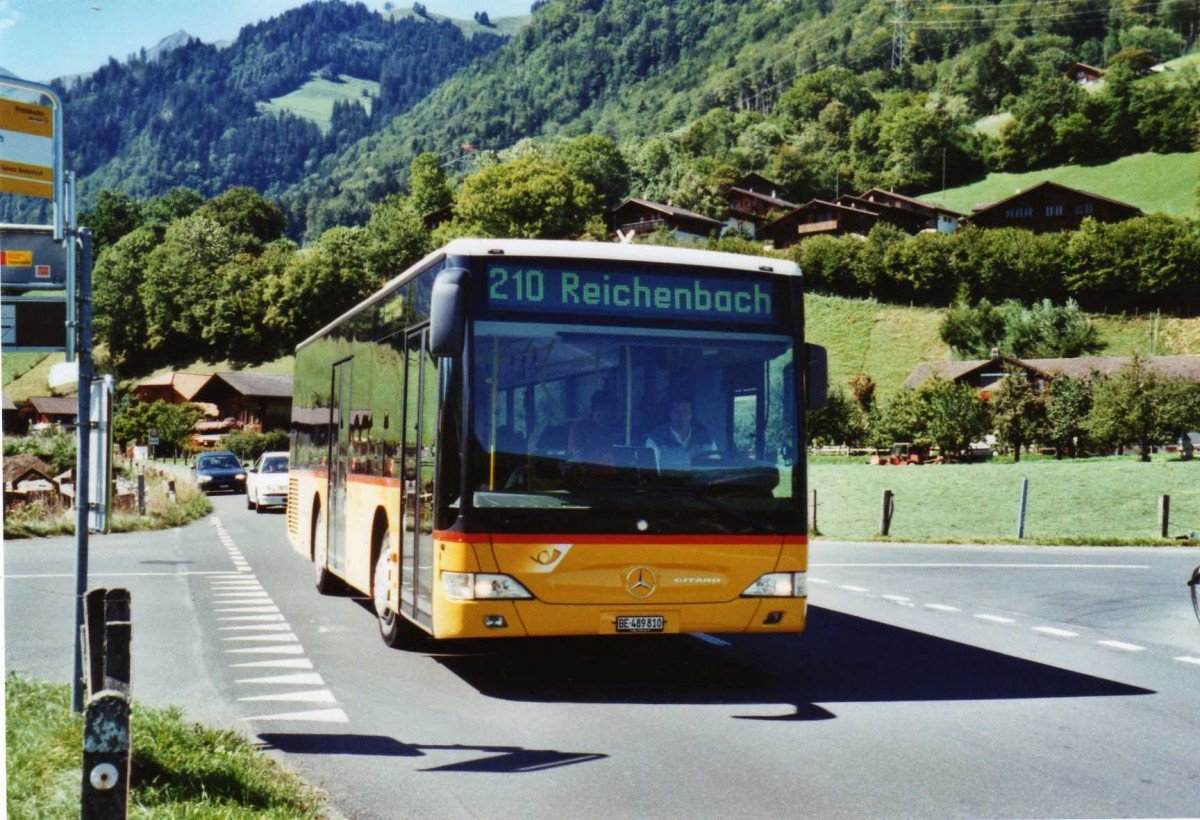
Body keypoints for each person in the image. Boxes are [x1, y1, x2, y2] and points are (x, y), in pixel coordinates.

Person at [645, 398, 716, 471]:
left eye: (685, 412)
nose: (681, 416)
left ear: (691, 415)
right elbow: (651, 472)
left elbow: (715, 469)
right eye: (677, 412)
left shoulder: (706, 439)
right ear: (670, 415)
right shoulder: (655, 439)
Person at [568, 392, 622, 466]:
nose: (611, 414)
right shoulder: (578, 429)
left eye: (612, 410)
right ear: (596, 409)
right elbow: (579, 458)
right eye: (606, 409)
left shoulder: (618, 429)